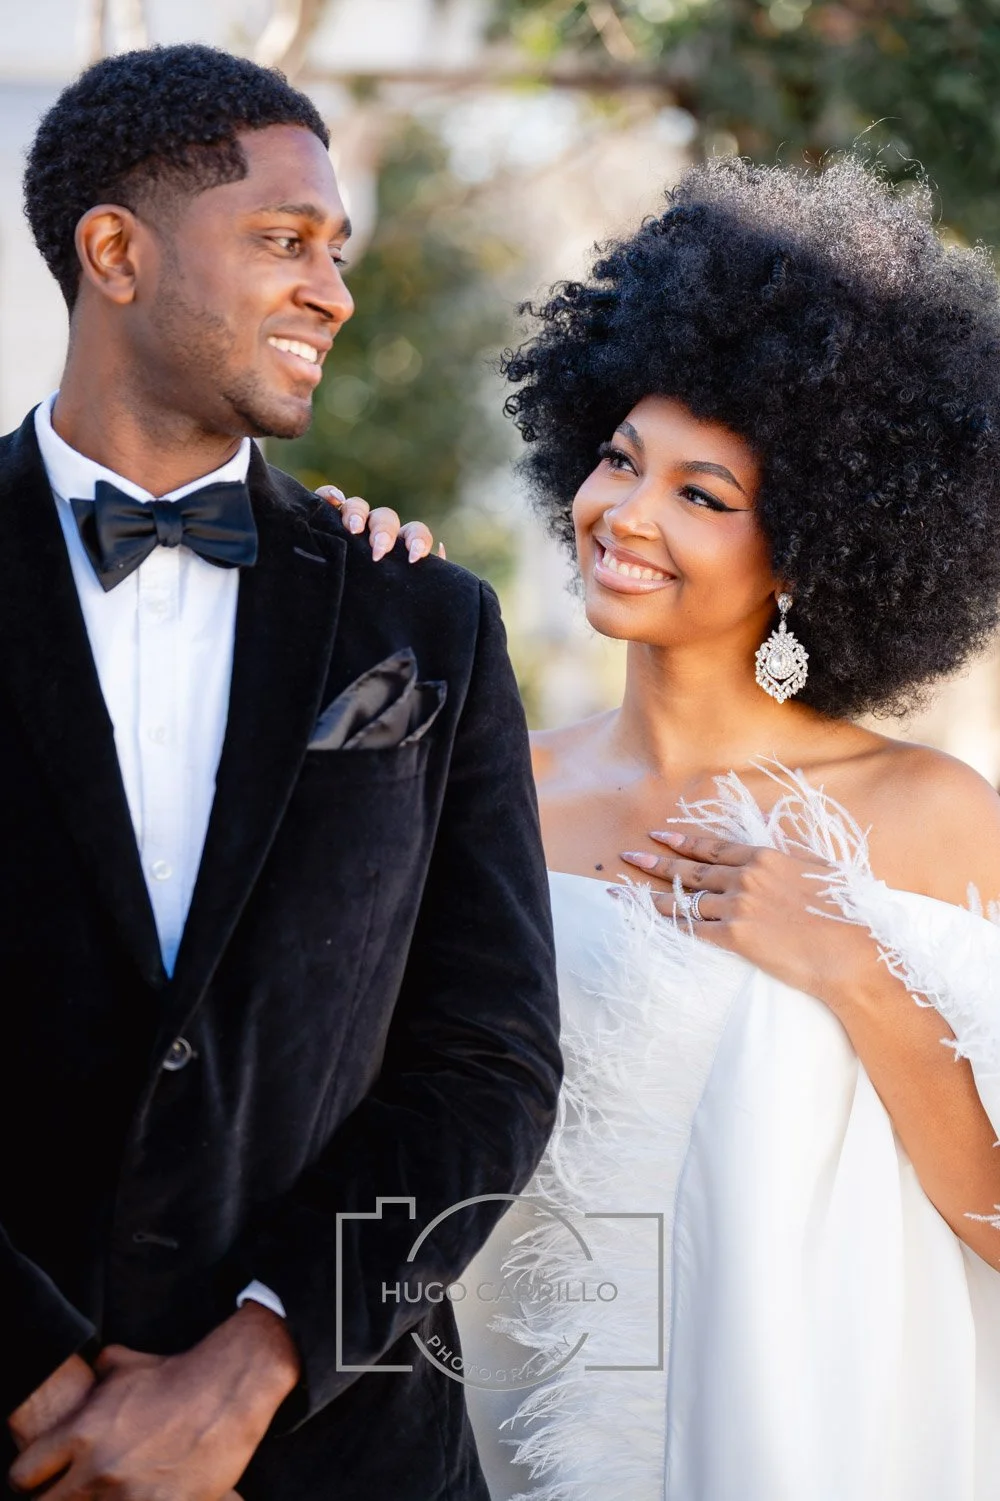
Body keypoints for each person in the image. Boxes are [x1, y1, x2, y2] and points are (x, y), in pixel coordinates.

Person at [324, 156, 1000, 1500]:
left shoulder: (929, 818)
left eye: (704, 494)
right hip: (505, 1445)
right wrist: (328, 612)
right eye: (622, 459)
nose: (625, 516)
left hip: (831, 1448)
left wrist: (846, 964)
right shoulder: (490, 789)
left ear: (811, 547)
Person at [1, 43, 561, 1501]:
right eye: (285, 240)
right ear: (114, 252)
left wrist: (257, 1361)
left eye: (339, 248)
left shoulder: (422, 617)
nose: (335, 289)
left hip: (339, 1452)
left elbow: (487, 1058)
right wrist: (39, 1382)